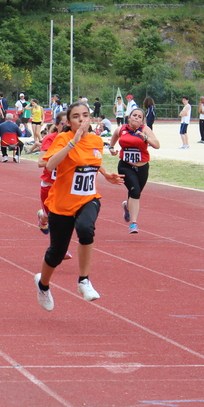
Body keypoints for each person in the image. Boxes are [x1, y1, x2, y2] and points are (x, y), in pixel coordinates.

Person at [33, 101, 124, 311]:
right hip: (62, 204)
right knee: (56, 253)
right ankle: (43, 285)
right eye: (76, 116)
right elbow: (50, 164)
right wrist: (72, 142)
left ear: (90, 118)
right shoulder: (62, 139)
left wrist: (105, 174)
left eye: (85, 115)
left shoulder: (95, 140)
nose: (81, 119)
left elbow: (91, 159)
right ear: (69, 121)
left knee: (85, 229)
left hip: (88, 198)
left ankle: (84, 280)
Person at [108, 108, 160, 234]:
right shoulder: (122, 129)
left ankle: (127, 206)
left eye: (139, 116)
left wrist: (146, 138)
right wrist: (111, 147)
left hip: (142, 167)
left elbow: (157, 145)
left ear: (142, 120)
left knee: (135, 194)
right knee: (135, 191)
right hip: (125, 166)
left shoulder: (145, 129)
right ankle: (133, 224)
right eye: (134, 115)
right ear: (129, 117)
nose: (136, 118)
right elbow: (114, 136)